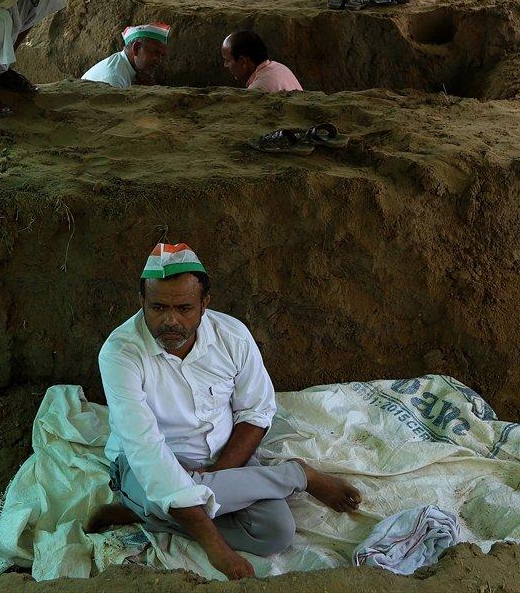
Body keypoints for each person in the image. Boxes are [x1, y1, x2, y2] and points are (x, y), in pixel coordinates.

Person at [88, 243, 362, 581]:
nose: (170, 320)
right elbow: (145, 449)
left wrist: (217, 475)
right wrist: (215, 546)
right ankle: (296, 476)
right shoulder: (120, 353)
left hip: (224, 458)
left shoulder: (232, 336)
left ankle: (146, 513)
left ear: (205, 304)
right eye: (158, 307)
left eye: (184, 308)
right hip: (151, 461)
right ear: (141, 301)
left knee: (276, 532)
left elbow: (256, 412)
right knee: (158, 489)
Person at [81, 23, 171, 88]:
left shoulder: (130, 68)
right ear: (136, 48)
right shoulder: (114, 79)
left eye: (162, 56)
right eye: (155, 53)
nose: (159, 61)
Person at [221, 31, 302, 92]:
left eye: (227, 60)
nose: (225, 65)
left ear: (242, 61)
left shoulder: (258, 90)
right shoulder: (280, 68)